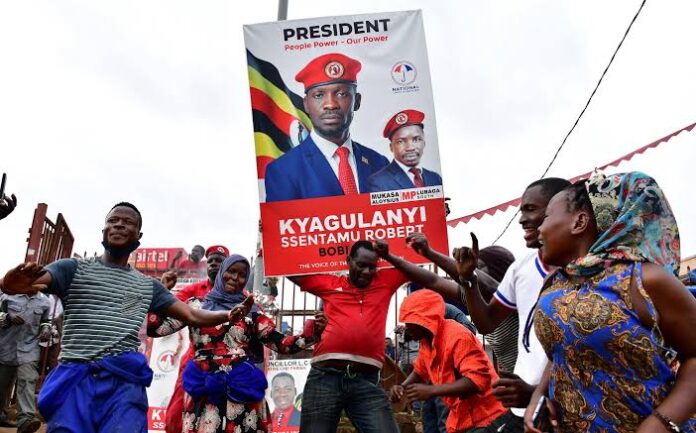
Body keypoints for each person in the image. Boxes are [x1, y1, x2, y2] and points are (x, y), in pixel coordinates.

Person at [0, 202, 246, 433]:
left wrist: (227, 314)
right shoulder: (71, 269)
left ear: (138, 237)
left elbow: (192, 314)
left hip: (124, 384)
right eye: (113, 220)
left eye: (127, 222)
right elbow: (31, 282)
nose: (119, 225)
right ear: (104, 229)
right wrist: (11, 284)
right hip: (76, 379)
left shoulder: (148, 286)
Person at [524, 172, 696, 433]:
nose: (539, 229)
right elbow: (565, 348)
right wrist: (540, 393)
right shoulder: (555, 284)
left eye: (546, 217)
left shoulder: (642, 280)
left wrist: (661, 422)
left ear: (579, 222)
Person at [402, 178, 571, 431]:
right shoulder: (486, 296)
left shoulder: (518, 288)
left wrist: (463, 272)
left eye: (531, 210)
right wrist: (409, 255)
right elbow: (436, 280)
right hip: (520, 402)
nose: (522, 219)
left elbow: (485, 284)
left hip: (556, 401)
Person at [148, 254, 319, 433]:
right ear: (222, 271)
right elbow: (158, 329)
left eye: (242, 275)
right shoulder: (195, 306)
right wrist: (160, 296)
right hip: (203, 390)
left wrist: (313, 332)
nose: (235, 278)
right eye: (231, 271)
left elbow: (283, 345)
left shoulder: (251, 311)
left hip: (242, 391)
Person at [289, 240, 407, 433]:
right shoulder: (329, 283)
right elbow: (288, 270)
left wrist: (390, 255)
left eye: (372, 267)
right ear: (348, 260)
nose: (367, 272)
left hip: (366, 380)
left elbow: (415, 265)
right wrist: (272, 235)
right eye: (361, 265)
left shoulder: (385, 282)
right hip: (324, 377)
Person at [264, 53, 389, 202]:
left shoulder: (379, 164)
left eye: (341, 94)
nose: (331, 104)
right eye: (319, 95)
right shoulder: (283, 170)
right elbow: (283, 224)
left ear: (357, 101)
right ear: (306, 105)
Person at [391, 289, 515, 433]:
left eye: (411, 323)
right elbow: (420, 371)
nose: (407, 328)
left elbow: (477, 381)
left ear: (424, 321)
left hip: (487, 416)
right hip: (461, 418)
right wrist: (402, 387)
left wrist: (432, 390)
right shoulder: (427, 342)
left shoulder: (458, 337)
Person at [164, 244, 229, 433]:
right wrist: (163, 289)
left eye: (219, 261)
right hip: (194, 361)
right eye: (210, 261)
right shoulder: (194, 290)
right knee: (176, 415)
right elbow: (168, 305)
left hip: (227, 364)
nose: (214, 264)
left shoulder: (238, 294)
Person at [0, 290, 51, 433]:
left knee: (28, 380)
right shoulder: (6, 296)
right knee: (1, 386)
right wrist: (8, 318)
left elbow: (46, 321)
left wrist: (46, 330)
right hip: (5, 347)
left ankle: (25, 420)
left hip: (29, 349)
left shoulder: (44, 301)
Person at [368, 109, 442, 192]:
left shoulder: (435, 178)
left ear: (424, 143)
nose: (410, 147)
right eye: (401, 141)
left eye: (416, 139)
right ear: (391, 147)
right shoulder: (378, 182)